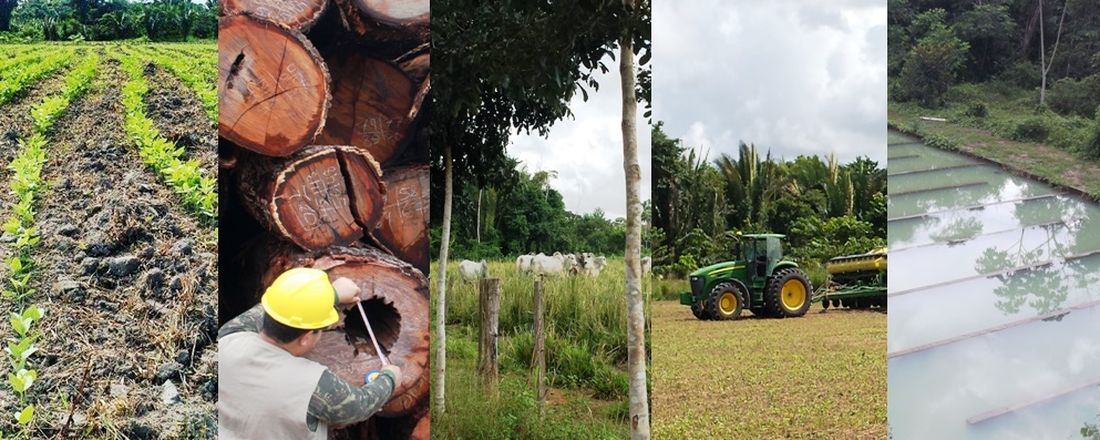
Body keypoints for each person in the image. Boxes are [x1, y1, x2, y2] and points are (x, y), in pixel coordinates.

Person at [218, 267, 402, 439]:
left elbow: (267, 311)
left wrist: (333, 295)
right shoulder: (313, 384)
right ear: (306, 337)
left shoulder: (229, 338)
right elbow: (359, 405)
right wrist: (389, 378)